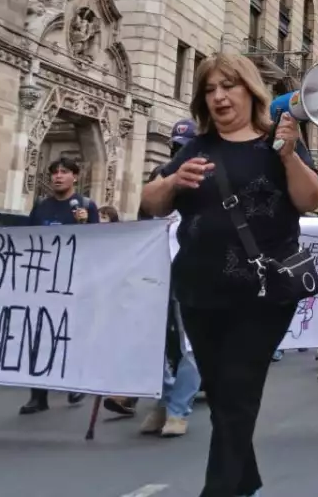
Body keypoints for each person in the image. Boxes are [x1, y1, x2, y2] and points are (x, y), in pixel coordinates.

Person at [141, 54, 318, 497]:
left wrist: (288, 157)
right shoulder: (197, 147)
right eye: (210, 89)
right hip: (199, 292)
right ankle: (247, 484)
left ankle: (219, 490)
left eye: (229, 86)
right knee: (224, 398)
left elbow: (310, 198)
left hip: (263, 294)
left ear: (250, 90)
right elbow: (152, 202)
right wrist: (172, 182)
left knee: (239, 393)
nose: (220, 97)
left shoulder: (278, 142)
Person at [129, 118, 203, 437]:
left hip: (192, 269)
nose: (179, 154)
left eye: (184, 149)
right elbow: (144, 218)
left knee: (188, 342)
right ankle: (162, 400)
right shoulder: (159, 178)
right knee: (157, 341)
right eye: (175, 148)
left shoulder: (204, 179)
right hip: (157, 270)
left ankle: (178, 409)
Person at [20, 158, 98, 415]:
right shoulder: (41, 207)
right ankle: (37, 394)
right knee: (38, 334)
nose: (58, 176)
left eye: (64, 172)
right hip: (42, 280)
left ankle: (74, 381)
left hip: (73, 281)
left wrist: (87, 225)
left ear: (75, 177)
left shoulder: (86, 207)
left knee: (69, 333)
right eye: (54, 172)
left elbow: (99, 244)